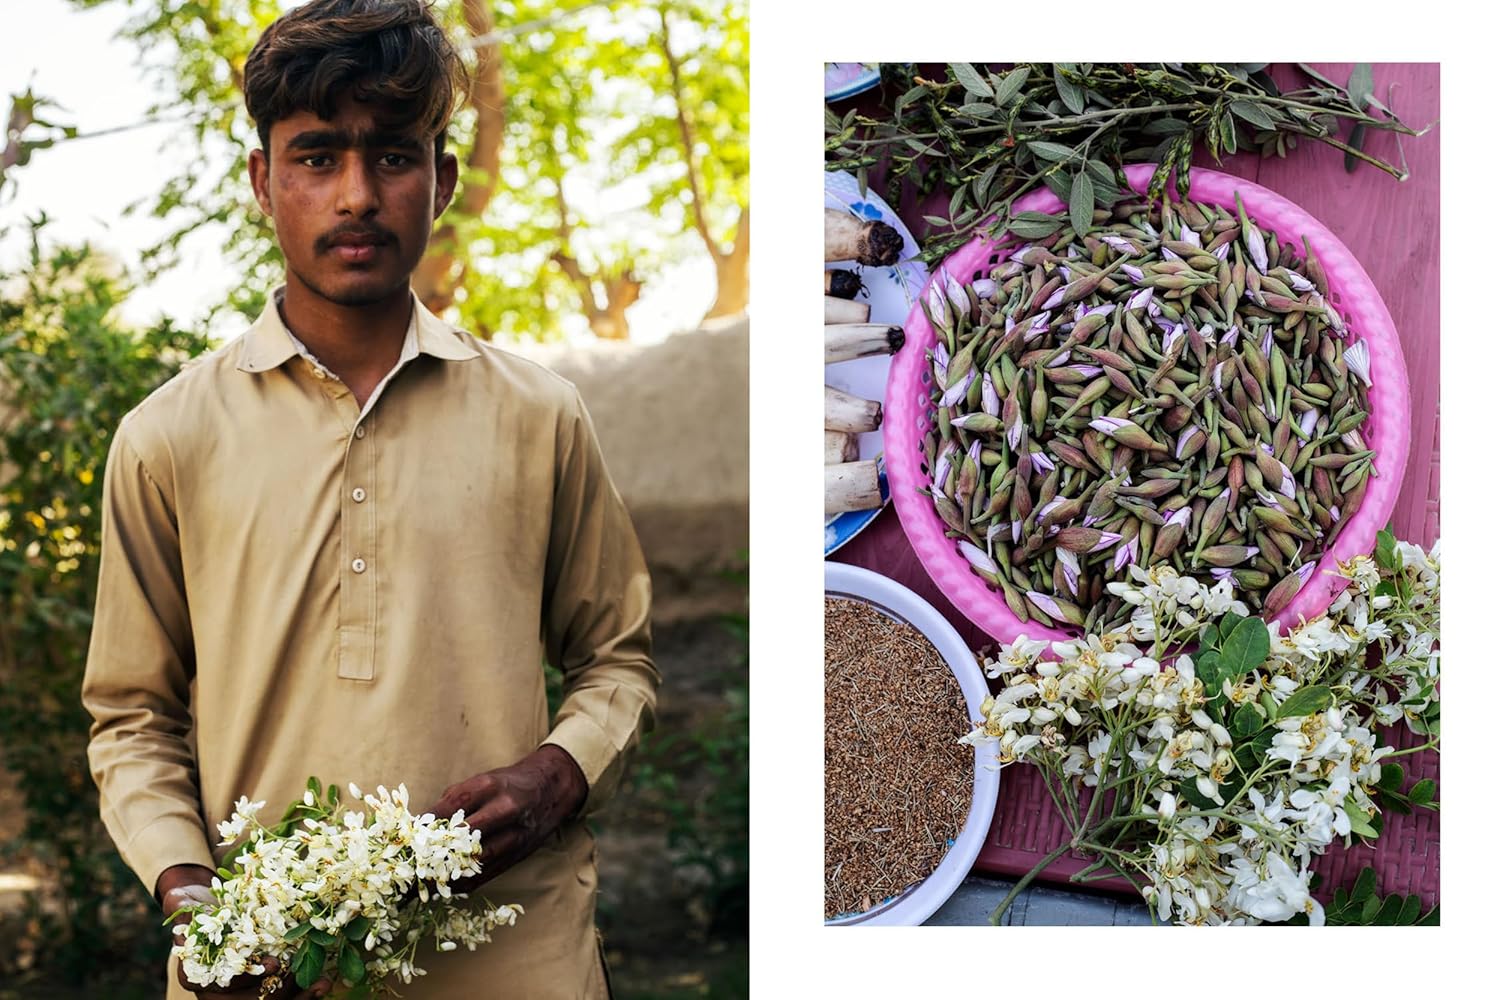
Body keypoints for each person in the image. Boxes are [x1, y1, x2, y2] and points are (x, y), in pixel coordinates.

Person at [79, 1, 659, 996]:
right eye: (316, 157)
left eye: (393, 155)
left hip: (514, 959)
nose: (356, 194)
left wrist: (561, 772)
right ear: (264, 181)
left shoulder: (541, 415)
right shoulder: (166, 436)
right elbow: (131, 715)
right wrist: (190, 895)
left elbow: (618, 661)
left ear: (442, 175)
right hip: (266, 972)